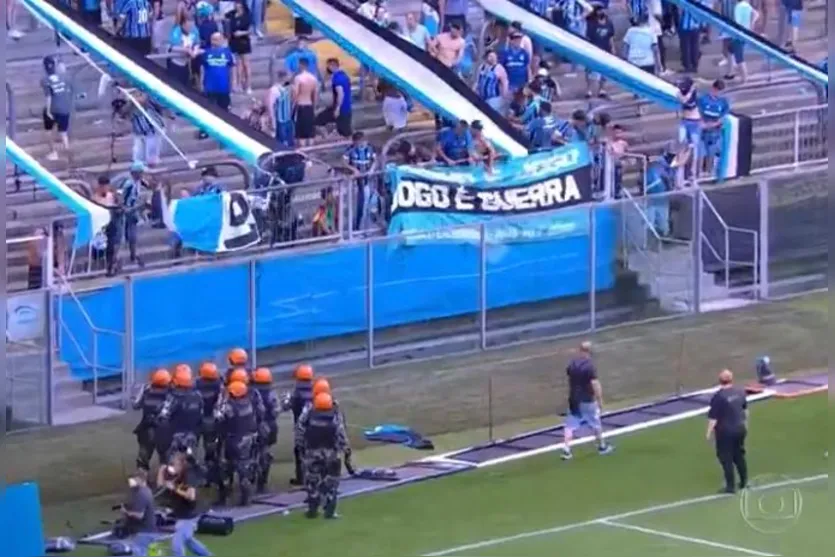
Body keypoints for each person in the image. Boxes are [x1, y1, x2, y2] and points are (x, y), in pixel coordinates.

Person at [296, 393, 350, 519]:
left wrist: (301, 447)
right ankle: (329, 511)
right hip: (331, 454)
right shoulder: (334, 416)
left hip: (312, 453)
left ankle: (312, 510)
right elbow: (341, 435)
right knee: (332, 484)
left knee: (312, 482)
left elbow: (300, 431)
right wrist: (345, 448)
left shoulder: (309, 414)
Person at [561, 341, 614, 460]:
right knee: (595, 423)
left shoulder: (572, 365)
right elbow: (595, 384)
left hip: (574, 399)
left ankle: (566, 450)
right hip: (587, 399)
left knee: (570, 425)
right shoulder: (590, 366)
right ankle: (602, 447)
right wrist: (600, 400)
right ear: (589, 352)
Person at [158, 453, 213, 556]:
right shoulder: (176, 476)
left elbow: (191, 496)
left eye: (174, 464)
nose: (172, 467)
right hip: (181, 515)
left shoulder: (189, 475)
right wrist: (161, 470)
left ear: (181, 465)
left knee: (176, 544)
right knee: (190, 542)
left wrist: (174, 489)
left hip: (189, 516)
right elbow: (161, 485)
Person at [215, 380, 259, 506]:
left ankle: (224, 497)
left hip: (233, 440)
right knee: (244, 469)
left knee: (225, 468)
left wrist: (220, 402)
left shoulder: (230, 406)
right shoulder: (248, 404)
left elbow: (218, 417)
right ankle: (246, 498)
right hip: (248, 439)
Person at [706, 369, 749, 493]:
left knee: (726, 458)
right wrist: (745, 425)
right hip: (740, 428)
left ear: (720, 381)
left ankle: (730, 487)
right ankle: (744, 481)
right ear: (732, 379)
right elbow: (745, 410)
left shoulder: (718, 397)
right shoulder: (740, 392)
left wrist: (708, 433)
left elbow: (713, 418)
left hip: (725, 432)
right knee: (739, 456)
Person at [158, 364, 204, 460]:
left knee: (169, 463)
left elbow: (163, 416)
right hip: (192, 436)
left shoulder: (173, 398)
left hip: (175, 437)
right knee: (191, 460)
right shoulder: (198, 396)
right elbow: (201, 415)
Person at [132, 368, 172, 471]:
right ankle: (163, 483)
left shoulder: (146, 389)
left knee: (142, 460)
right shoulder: (171, 393)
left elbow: (135, 405)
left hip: (146, 429)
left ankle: (141, 483)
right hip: (164, 431)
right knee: (165, 460)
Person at [283, 363, 315, 486]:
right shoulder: (315, 390)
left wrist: (286, 399)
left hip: (300, 428)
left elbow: (286, 406)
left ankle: (301, 478)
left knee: (299, 452)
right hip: (314, 427)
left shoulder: (297, 393)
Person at [196, 362, 223, 499]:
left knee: (191, 450)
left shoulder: (197, 384)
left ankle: (192, 478)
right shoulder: (218, 384)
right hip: (211, 421)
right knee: (211, 451)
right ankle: (210, 478)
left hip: (197, 421)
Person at [251, 367, 280, 493]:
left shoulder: (251, 392)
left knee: (251, 453)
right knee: (266, 453)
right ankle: (262, 482)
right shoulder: (272, 394)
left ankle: (251, 478)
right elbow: (276, 411)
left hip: (254, 426)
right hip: (270, 425)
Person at [343, 131, 378, 231]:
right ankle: (355, 228)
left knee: (367, 204)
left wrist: (371, 170)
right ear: (355, 142)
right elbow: (344, 161)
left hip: (367, 181)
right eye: (359, 142)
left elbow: (375, 160)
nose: (362, 144)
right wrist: (353, 169)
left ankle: (366, 227)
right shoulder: (350, 150)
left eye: (363, 141)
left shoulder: (370, 149)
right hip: (354, 183)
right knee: (355, 206)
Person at [41, 56, 73, 162]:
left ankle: (53, 152)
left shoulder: (45, 80)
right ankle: (68, 155)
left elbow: (49, 96)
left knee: (48, 131)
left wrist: (49, 111)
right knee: (63, 133)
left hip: (54, 108)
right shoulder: (63, 77)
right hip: (65, 108)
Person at [120, 469, 157, 557]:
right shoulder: (147, 490)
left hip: (143, 532)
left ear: (140, 479)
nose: (134, 481)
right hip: (151, 530)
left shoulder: (142, 494)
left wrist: (126, 512)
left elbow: (139, 515)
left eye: (135, 479)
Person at [698, 79, 730, 175]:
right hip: (701, 131)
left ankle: (708, 172)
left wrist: (712, 125)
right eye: (718, 91)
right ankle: (698, 173)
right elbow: (698, 114)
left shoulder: (723, 102)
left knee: (711, 153)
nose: (719, 94)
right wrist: (702, 124)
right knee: (700, 153)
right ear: (713, 88)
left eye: (721, 91)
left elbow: (723, 118)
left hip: (714, 132)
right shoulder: (703, 99)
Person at [316, 58, 352, 139]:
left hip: (342, 109)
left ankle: (329, 137)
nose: (327, 68)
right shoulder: (344, 75)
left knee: (345, 132)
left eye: (328, 66)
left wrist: (337, 109)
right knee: (319, 119)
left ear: (331, 66)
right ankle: (328, 135)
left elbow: (340, 93)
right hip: (345, 107)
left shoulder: (337, 78)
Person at [120, 162, 147, 268]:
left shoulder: (139, 182)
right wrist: (124, 208)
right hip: (127, 211)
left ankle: (133, 255)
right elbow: (122, 198)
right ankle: (124, 258)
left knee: (133, 236)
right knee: (127, 236)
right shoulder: (129, 184)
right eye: (140, 172)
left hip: (134, 211)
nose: (142, 174)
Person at [199, 32, 235, 111]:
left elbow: (232, 70)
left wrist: (233, 84)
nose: (215, 41)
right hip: (209, 88)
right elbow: (202, 70)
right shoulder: (206, 53)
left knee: (224, 112)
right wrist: (201, 85)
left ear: (222, 40)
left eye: (217, 39)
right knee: (210, 112)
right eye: (213, 39)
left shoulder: (228, 53)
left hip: (224, 88)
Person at [585, 5, 615, 99]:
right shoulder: (591, 23)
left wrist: (613, 48)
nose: (601, 12)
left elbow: (611, 37)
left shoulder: (609, 22)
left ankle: (602, 89)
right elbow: (588, 37)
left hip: (606, 49)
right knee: (590, 70)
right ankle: (589, 90)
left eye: (602, 10)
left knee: (604, 71)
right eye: (599, 10)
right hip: (594, 50)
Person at [726, 0, 759, 82]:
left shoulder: (738, 7)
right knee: (730, 50)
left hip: (739, 35)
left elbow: (737, 23)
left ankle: (744, 78)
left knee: (739, 57)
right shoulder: (746, 5)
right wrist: (751, 25)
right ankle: (731, 72)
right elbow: (756, 14)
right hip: (744, 33)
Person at [130, 91, 164, 167]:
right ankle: (139, 169)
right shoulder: (130, 104)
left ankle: (150, 166)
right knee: (137, 156)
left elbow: (145, 101)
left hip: (153, 130)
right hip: (139, 131)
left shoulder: (149, 99)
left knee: (151, 156)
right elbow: (123, 113)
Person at [227, 0, 253, 94]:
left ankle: (248, 85)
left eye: (238, 3)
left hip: (244, 41)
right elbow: (223, 17)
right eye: (235, 3)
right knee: (237, 65)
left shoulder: (247, 15)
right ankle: (238, 85)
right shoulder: (232, 14)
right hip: (234, 42)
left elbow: (250, 30)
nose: (236, 5)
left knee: (246, 64)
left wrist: (241, 33)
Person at [292, 58, 319, 147]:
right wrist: (314, 107)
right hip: (310, 105)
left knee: (301, 134)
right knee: (310, 133)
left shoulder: (298, 78)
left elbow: (295, 94)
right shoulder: (313, 78)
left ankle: (304, 153)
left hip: (301, 105)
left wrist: (292, 107)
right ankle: (311, 152)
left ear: (301, 65)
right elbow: (315, 95)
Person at [167, 15, 200, 86]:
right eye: (188, 26)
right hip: (176, 63)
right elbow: (172, 47)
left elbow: (197, 43)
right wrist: (186, 50)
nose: (190, 28)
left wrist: (195, 51)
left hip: (186, 64)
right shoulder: (176, 31)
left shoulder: (194, 30)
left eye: (191, 26)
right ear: (183, 25)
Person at [267, 70, 295, 149]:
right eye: (288, 76)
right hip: (280, 121)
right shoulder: (274, 90)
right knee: (281, 143)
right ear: (284, 77)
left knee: (290, 143)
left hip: (288, 119)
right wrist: (272, 121)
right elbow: (270, 105)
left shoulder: (286, 88)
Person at [475, 50, 509, 114]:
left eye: (494, 56)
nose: (493, 58)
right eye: (490, 56)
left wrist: (504, 94)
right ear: (486, 57)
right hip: (481, 96)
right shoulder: (482, 67)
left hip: (493, 98)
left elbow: (505, 82)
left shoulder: (499, 68)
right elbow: (477, 80)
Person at [677, 5, 702, 74]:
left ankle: (687, 66)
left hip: (686, 25)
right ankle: (694, 66)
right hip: (696, 25)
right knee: (694, 46)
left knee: (686, 46)